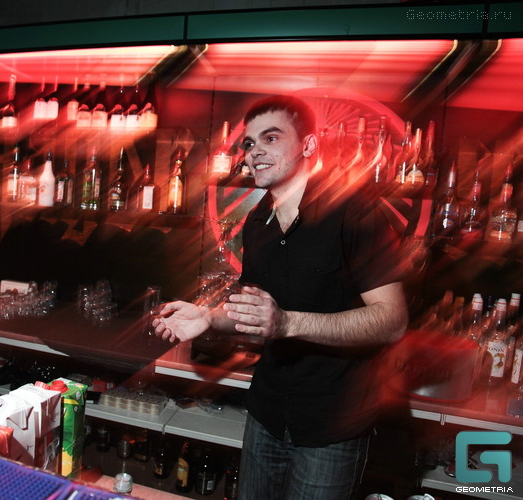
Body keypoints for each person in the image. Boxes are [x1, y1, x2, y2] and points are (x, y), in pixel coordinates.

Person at [152, 95, 408, 500]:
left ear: (309, 145)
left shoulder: (355, 213)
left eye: (270, 138)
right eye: (249, 144)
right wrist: (209, 317)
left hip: (331, 425)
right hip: (267, 414)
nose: (254, 152)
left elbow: (392, 321)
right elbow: (254, 313)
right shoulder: (258, 223)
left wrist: (288, 323)